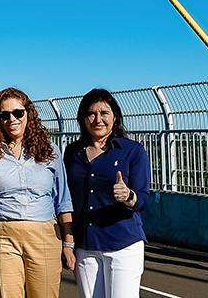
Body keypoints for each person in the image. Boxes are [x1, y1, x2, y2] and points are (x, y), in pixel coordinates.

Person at [0, 87, 75, 298]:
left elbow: (63, 200)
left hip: (44, 234)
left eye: (18, 113)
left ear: (29, 114)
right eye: (4, 114)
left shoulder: (50, 150)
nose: (12, 119)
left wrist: (69, 244)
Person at [63, 89, 151, 298]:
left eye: (104, 113)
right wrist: (68, 242)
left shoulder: (132, 151)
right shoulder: (72, 153)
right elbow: (67, 199)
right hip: (86, 245)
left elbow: (144, 199)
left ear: (115, 117)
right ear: (83, 119)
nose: (98, 119)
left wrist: (129, 196)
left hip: (123, 244)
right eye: (91, 114)